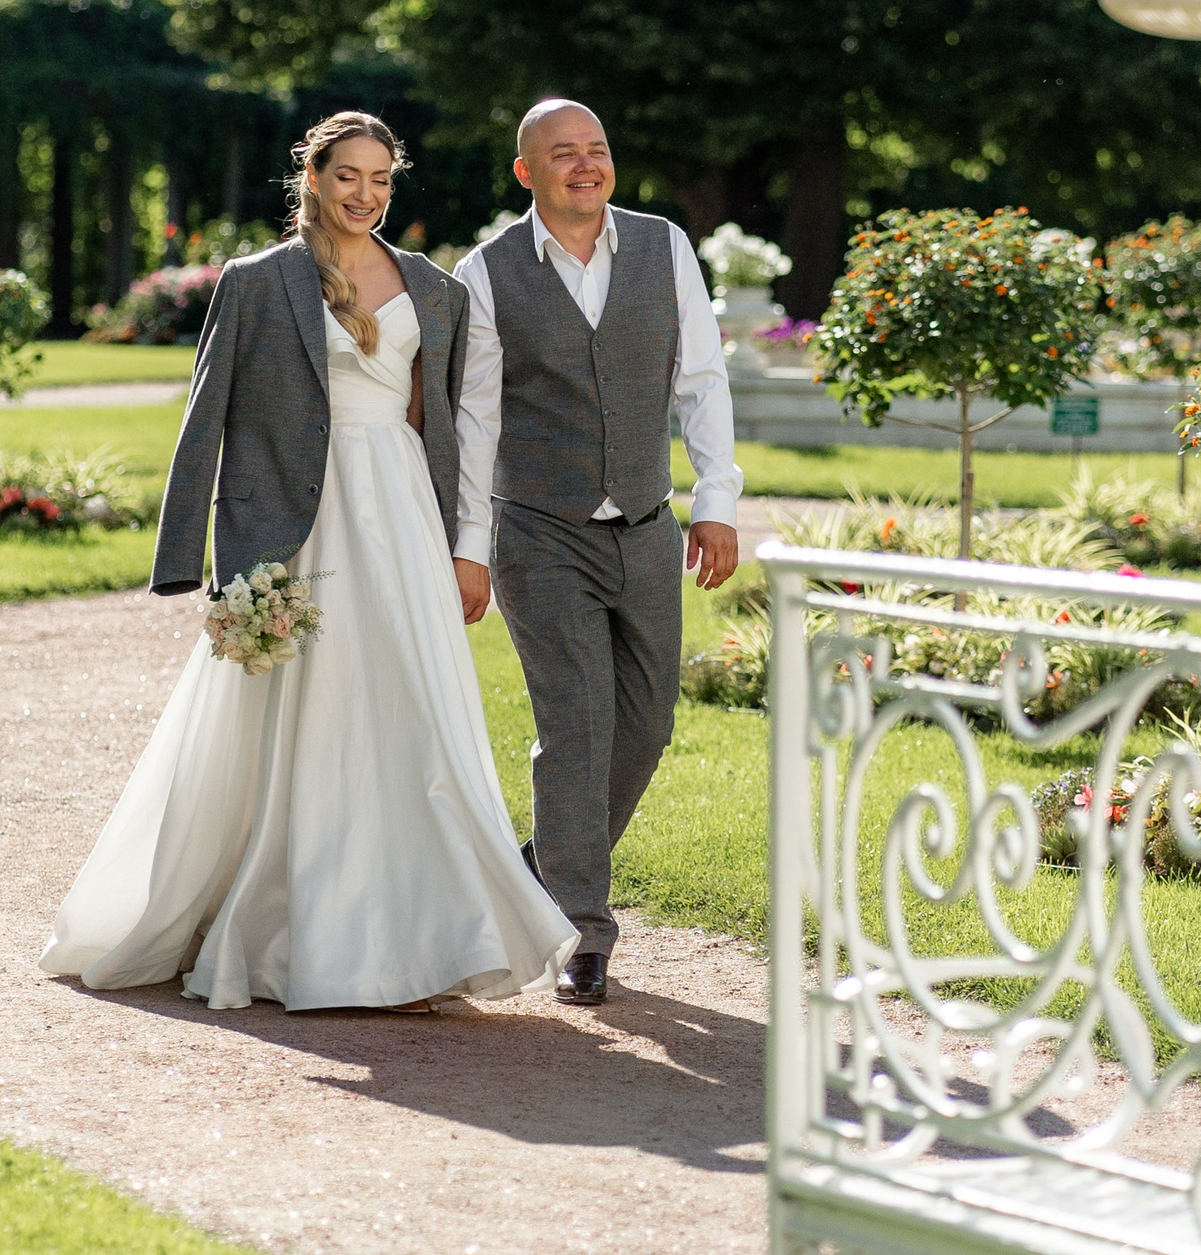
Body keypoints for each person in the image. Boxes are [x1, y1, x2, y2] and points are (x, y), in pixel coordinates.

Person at [41, 112, 576, 1013]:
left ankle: (424, 936)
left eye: (381, 179)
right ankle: (285, 925)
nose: (365, 195)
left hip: (400, 518)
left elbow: (448, 427)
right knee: (303, 718)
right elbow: (204, 417)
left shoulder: (435, 291)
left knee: (411, 711)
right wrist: (194, 563)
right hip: (302, 520)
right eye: (348, 177)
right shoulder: (258, 283)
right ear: (313, 177)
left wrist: (463, 546)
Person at [451, 98, 742, 1007]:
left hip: (649, 527)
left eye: (598, 150)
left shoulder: (665, 248)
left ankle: (545, 860)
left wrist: (716, 500)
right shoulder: (487, 272)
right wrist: (469, 547)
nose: (586, 166)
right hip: (538, 531)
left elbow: (700, 378)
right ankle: (583, 930)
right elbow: (475, 419)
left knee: (646, 725)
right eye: (563, 154)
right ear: (525, 171)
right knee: (575, 728)